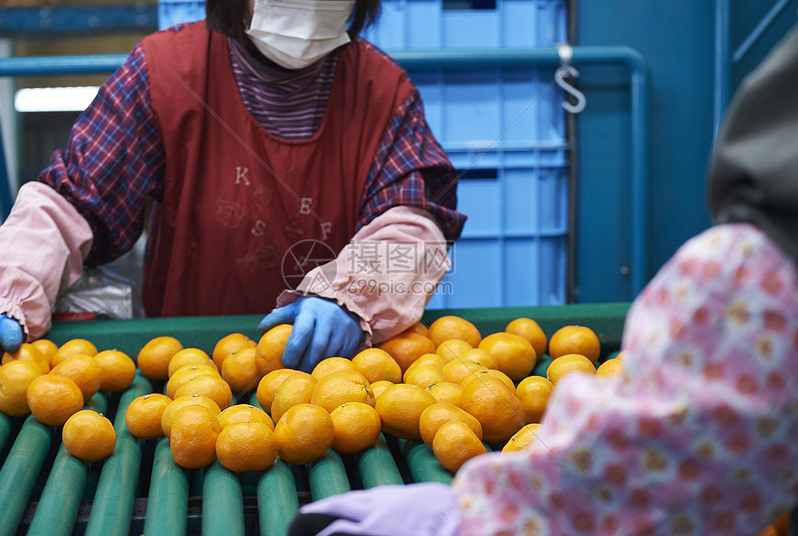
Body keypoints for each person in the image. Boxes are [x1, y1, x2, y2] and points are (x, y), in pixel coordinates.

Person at [288, 21, 798, 536]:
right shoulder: (198, 72)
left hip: (359, 341)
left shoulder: (377, 85)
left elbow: (415, 207)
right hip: (223, 333)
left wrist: (357, 291)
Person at [0, 0, 465, 393]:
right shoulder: (166, 72)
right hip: (186, 372)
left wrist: (353, 298)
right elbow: (71, 202)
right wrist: (3, 291)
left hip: (333, 382)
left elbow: (413, 221)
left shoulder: (382, 91)